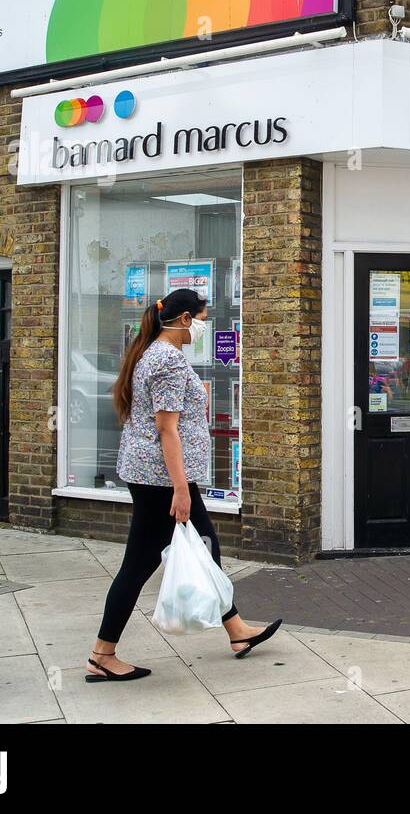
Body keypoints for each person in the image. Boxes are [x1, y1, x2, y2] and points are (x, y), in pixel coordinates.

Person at [86, 288, 281, 682]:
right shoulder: (167, 361)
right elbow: (166, 429)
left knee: (207, 545)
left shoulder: (154, 354)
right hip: (161, 478)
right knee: (138, 565)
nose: (207, 326)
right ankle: (102, 655)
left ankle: (237, 630)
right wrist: (179, 489)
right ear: (186, 319)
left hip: (160, 475)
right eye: (205, 317)